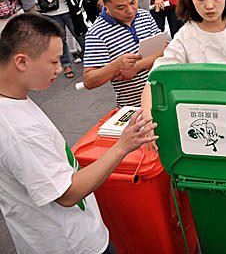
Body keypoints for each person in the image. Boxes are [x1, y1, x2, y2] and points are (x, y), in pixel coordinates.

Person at [0, 14, 158, 254]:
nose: (59, 69)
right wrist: (123, 145)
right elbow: (67, 193)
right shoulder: (17, 130)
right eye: (53, 62)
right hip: (70, 244)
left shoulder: (14, 99)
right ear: (21, 62)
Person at [84, 0, 163, 106]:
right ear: (104, 3)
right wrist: (115, 66)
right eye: (121, 7)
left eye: (133, 2)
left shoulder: (145, 16)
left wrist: (137, 66)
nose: (130, 11)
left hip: (163, 97)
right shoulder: (97, 34)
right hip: (133, 107)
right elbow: (89, 81)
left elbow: (165, 48)